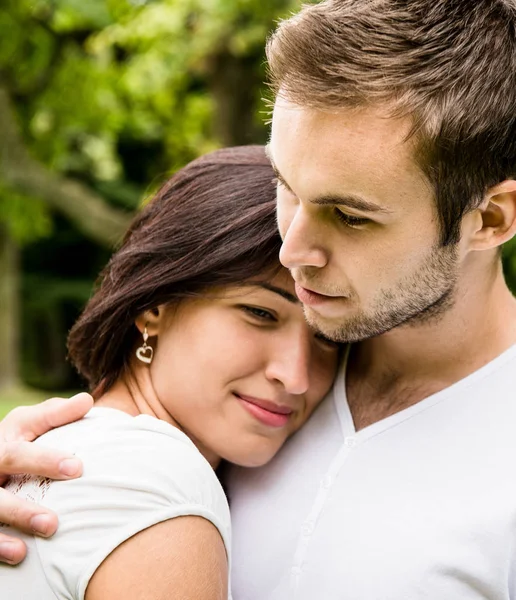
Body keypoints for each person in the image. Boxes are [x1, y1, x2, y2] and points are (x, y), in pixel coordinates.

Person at [1, 0, 516, 597]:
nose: (293, 249)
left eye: (350, 217)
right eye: (286, 186)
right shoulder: (238, 414)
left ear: (491, 218)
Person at [0, 145, 339, 599]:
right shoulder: (159, 481)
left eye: (328, 337)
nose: (295, 376)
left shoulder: (74, 451)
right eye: (259, 313)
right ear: (153, 306)